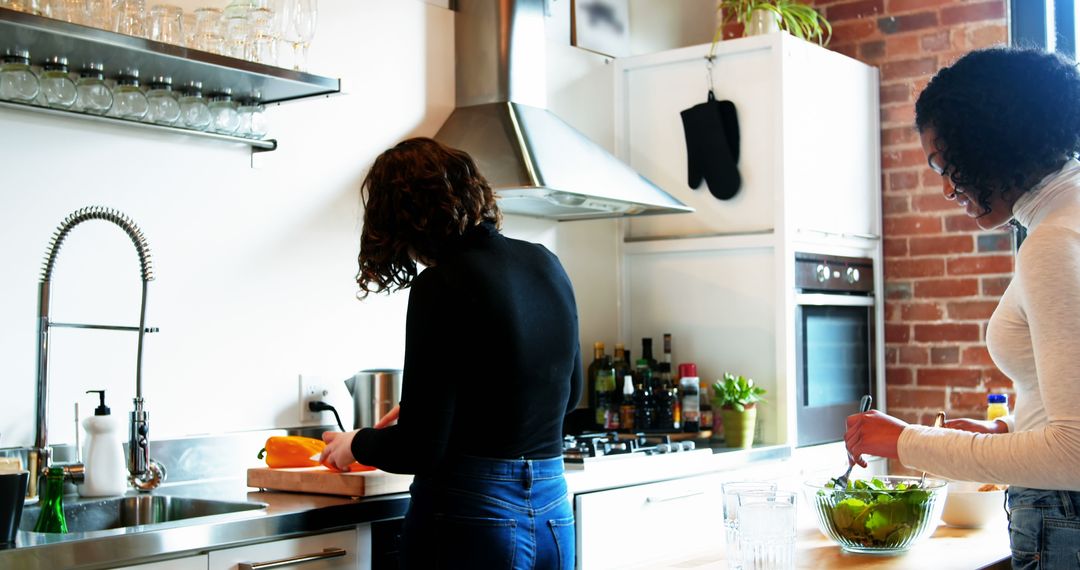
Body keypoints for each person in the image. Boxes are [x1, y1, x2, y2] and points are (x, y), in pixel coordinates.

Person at [843, 47, 1080, 567]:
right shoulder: (1068, 216)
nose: (949, 188)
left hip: (1066, 517)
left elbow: (1075, 453)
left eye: (949, 165)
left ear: (996, 142)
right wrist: (1013, 432)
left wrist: (905, 441)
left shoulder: (1053, 242)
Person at [320, 137, 583, 570]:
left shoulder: (440, 285)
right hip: (555, 514)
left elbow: (420, 449)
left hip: (473, 518)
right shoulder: (546, 263)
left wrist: (356, 444)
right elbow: (568, 396)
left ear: (401, 219)